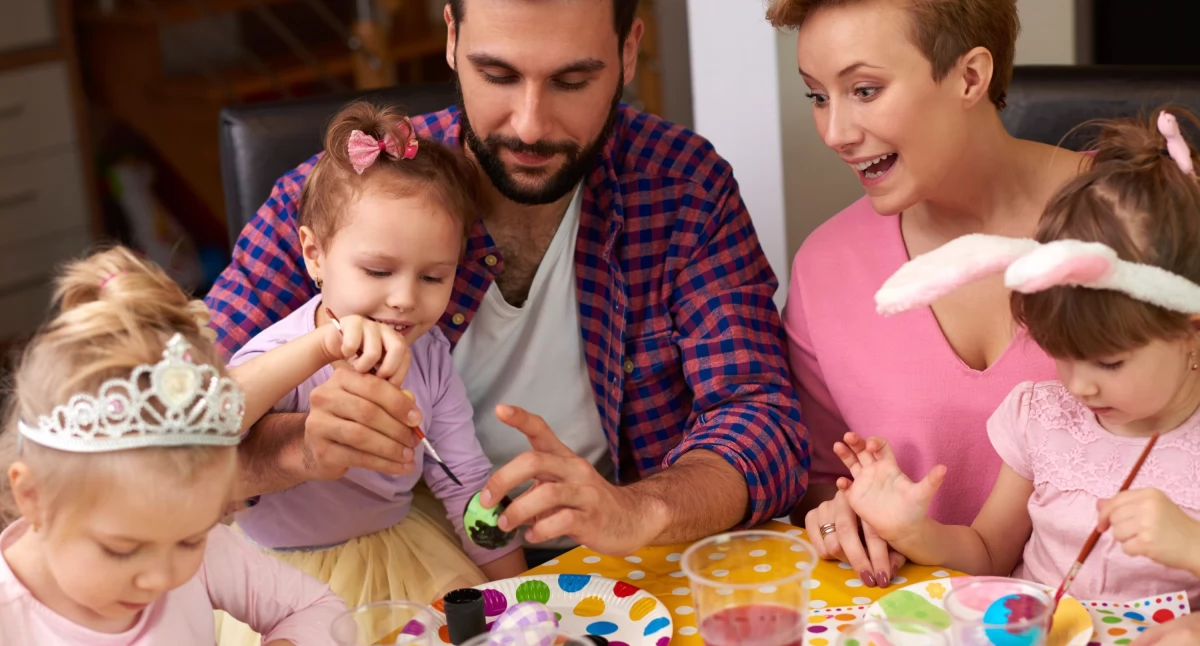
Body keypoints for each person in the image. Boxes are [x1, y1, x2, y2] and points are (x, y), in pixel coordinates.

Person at [206, 0, 809, 559]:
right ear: (451, 38)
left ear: (629, 52)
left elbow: (763, 421)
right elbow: (151, 435)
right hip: (401, 571)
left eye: (572, 81)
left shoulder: (682, 186)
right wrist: (299, 449)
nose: (528, 125)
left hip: (617, 569)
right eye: (497, 75)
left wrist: (640, 509)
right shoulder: (339, 203)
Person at [766, 0, 1082, 587]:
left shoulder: (1151, 220)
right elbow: (814, 480)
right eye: (817, 96)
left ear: (970, 76)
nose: (835, 132)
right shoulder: (826, 268)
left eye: (863, 90)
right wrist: (835, 516)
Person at [835, 110, 1200, 604]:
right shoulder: (1044, 420)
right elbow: (988, 553)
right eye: (1062, 356)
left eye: (1109, 363)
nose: (1079, 387)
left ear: (1189, 332)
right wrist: (911, 530)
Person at [0, 247, 345, 645]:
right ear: (33, 496)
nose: (161, 579)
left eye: (190, 541)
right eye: (121, 550)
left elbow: (317, 606)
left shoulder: (186, 536)